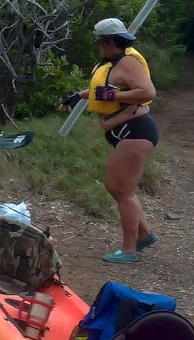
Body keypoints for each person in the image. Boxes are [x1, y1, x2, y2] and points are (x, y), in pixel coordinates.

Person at [61, 18, 160, 264]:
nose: (98, 48)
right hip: (125, 132)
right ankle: (144, 233)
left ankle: (129, 250)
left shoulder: (128, 62)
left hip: (135, 131)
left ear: (108, 42)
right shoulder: (112, 63)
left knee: (120, 189)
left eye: (99, 43)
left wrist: (114, 95)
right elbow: (102, 89)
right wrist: (78, 95)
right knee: (121, 189)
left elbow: (147, 92)